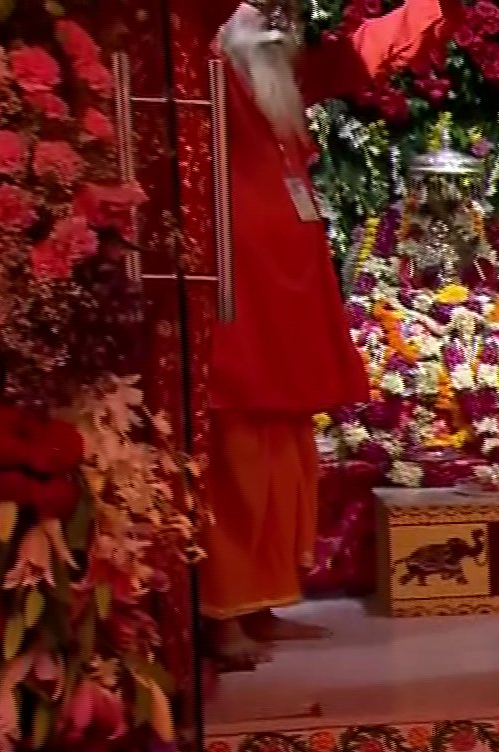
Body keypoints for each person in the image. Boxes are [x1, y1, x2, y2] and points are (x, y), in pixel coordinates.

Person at [203, 0, 463, 668]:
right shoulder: (205, 75)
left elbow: (363, 54)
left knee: (286, 449)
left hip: (289, 296)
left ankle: (260, 606)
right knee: (238, 449)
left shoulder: (279, 76)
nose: (278, 16)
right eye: (262, 5)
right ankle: (221, 612)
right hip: (238, 297)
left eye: (286, 8)